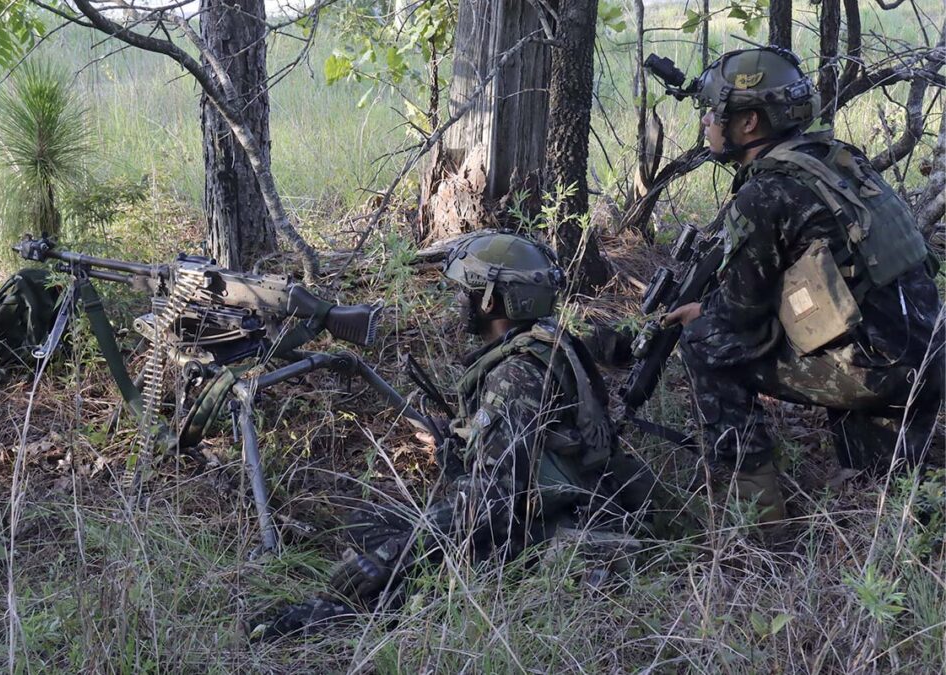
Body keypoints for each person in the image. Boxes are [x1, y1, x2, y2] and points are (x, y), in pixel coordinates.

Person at [255, 232, 657, 639]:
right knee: (367, 520)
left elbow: (493, 500)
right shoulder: (545, 341)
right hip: (558, 506)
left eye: (467, 291)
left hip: (543, 527)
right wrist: (455, 448)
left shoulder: (514, 375)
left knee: (411, 567)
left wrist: (390, 557)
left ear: (491, 301)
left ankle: (337, 619)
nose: (459, 300)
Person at [662, 46, 944, 523]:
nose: (706, 122)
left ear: (749, 122)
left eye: (713, 112)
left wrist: (700, 315)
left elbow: (738, 320)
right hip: (927, 349)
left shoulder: (765, 192)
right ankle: (908, 512)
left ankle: (758, 521)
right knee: (888, 496)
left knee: (704, 345)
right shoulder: (839, 159)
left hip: (878, 370)